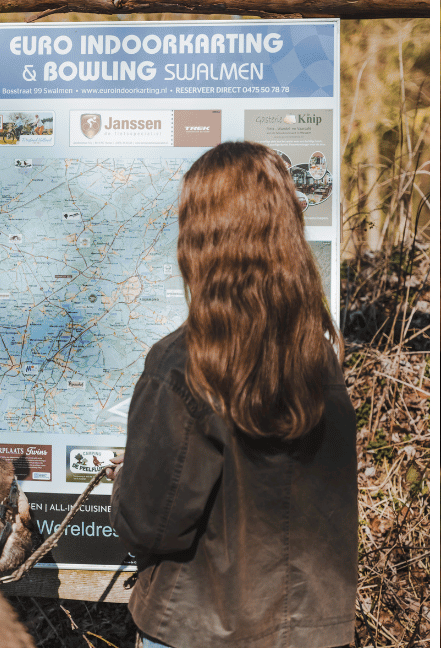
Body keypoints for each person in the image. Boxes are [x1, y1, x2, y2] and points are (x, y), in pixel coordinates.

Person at [110, 141, 354, 648]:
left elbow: (150, 525)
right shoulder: (319, 355)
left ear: (200, 239)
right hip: (312, 632)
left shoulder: (181, 364)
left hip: (194, 631)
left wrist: (125, 480)